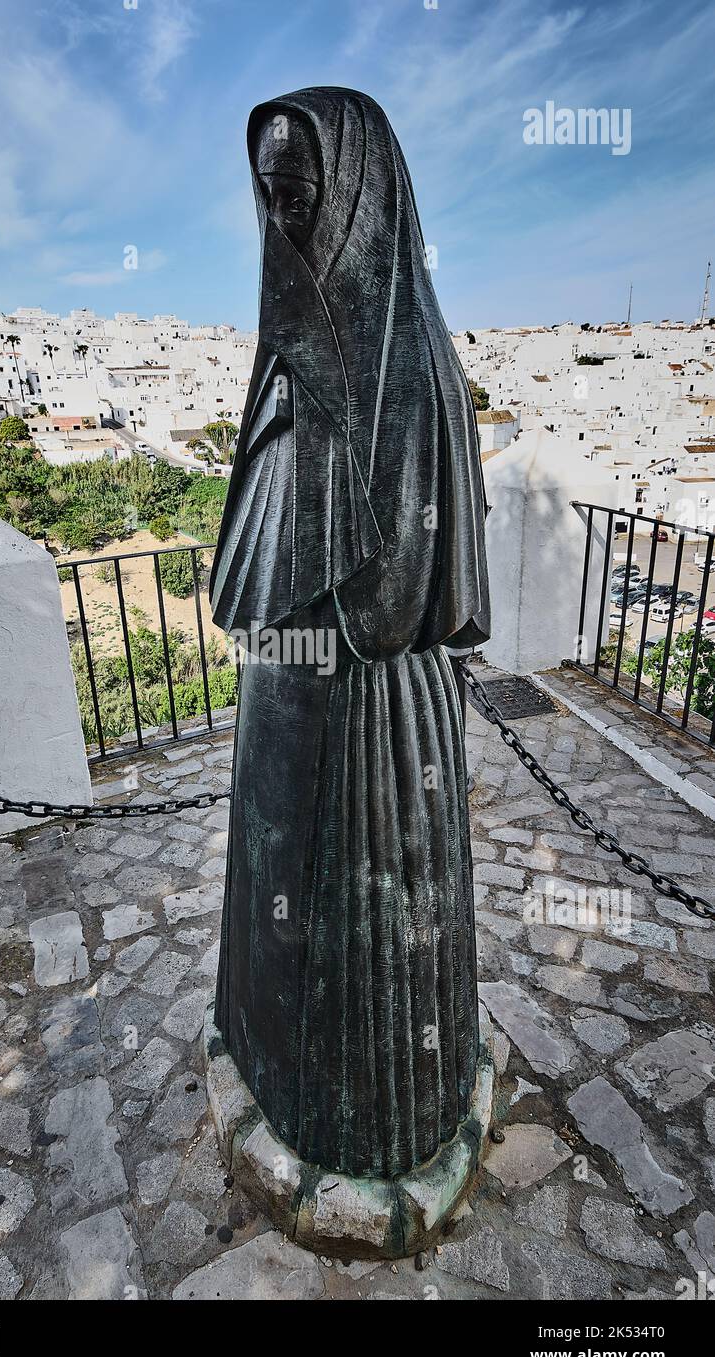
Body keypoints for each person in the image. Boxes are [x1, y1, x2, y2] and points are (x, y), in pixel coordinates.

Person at [209, 88, 490, 1179]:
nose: (282, 226)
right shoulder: (292, 351)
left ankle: (363, 1121)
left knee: (356, 970)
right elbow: (267, 529)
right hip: (293, 708)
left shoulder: (412, 371)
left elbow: (394, 594)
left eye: (299, 199)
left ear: (359, 196)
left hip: (371, 727)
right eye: (268, 202)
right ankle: (269, 1064)